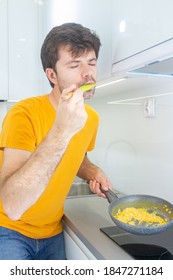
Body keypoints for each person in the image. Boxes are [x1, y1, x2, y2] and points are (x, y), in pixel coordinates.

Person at [0, 23, 112, 260]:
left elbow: (78, 157)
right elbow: (12, 204)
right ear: (52, 75)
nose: (88, 73)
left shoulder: (91, 118)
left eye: (91, 63)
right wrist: (62, 129)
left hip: (52, 231)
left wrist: (92, 171)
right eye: (75, 65)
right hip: (9, 230)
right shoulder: (24, 114)